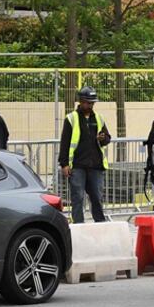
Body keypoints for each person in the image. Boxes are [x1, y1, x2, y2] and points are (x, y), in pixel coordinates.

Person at [58, 86, 111, 224]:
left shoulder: (99, 118)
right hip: (77, 165)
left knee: (97, 197)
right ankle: (78, 225)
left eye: (92, 103)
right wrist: (64, 164)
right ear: (80, 101)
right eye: (88, 102)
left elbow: (107, 138)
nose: (90, 105)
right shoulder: (71, 118)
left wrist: (103, 138)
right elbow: (65, 142)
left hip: (95, 165)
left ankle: (100, 224)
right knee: (78, 197)